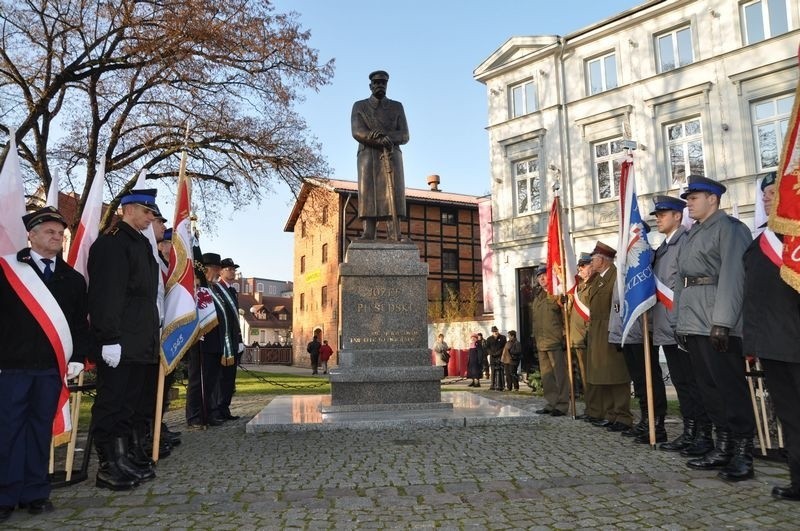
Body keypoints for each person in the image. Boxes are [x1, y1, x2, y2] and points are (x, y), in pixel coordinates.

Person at [0, 207, 88, 522]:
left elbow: (79, 324)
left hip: (51, 369)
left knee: (40, 431)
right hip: (11, 366)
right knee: (8, 432)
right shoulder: (8, 271)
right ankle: (5, 495)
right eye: (49, 231)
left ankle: (36, 493)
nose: (56, 237)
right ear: (31, 234)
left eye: (60, 233)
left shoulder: (73, 279)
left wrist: (77, 356)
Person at [673, 175, 755, 481]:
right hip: (694, 321)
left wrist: (723, 322)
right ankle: (722, 448)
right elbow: (682, 280)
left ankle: (743, 453)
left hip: (718, 323)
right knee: (708, 388)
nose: (689, 204)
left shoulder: (731, 229)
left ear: (713, 199)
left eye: (694, 198)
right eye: (688, 199)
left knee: (729, 387)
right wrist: (679, 321)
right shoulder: (692, 234)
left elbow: (734, 276)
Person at [88, 188, 161, 490]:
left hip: (139, 340)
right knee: (112, 402)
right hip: (120, 340)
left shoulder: (141, 246)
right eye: (147, 212)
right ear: (128, 209)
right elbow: (107, 294)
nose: (150, 218)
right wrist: (109, 338)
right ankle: (107, 464)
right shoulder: (112, 244)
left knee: (129, 403)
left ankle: (122, 456)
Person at [743, 209, 800, 500]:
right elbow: (752, 297)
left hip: (793, 340)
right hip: (773, 345)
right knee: (790, 418)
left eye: (773, 191)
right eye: (766, 194)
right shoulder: (759, 243)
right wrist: (751, 344)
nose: (767, 197)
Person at [649, 195, 709, 454]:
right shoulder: (662, 249)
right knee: (682, 383)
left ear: (677, 216)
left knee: (694, 383)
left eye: (663, 214)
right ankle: (689, 431)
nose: (658, 219)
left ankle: (703, 434)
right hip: (666, 325)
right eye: (657, 215)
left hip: (681, 324)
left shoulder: (685, 242)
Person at [351, 70, 410, 241]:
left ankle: (395, 233)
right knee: (368, 192)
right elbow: (357, 131)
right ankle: (368, 232)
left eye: (383, 83)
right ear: (370, 86)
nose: (379, 86)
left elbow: (404, 135)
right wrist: (376, 139)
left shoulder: (396, 106)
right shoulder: (359, 106)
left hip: (391, 153)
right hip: (368, 155)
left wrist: (386, 138)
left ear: (387, 85)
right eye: (376, 83)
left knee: (394, 191)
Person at [585, 242, 632, 431]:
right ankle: (610, 414)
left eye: (594, 259)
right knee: (603, 375)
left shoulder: (616, 277)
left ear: (603, 260)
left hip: (611, 329)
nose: (591, 262)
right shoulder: (597, 279)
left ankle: (623, 416)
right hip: (597, 332)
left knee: (617, 375)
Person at [185, 253, 227, 429]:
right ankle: (194, 415)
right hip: (201, 341)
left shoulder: (214, 289)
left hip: (215, 342)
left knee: (210, 381)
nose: (218, 272)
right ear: (206, 269)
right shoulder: (198, 287)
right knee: (197, 380)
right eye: (216, 268)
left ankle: (207, 412)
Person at [531, 265, 569, 415]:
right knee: (547, 376)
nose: (541, 278)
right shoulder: (538, 297)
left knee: (559, 374)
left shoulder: (557, 294)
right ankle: (551, 402)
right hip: (541, 342)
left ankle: (562, 404)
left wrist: (564, 336)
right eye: (539, 276)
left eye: (544, 275)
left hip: (555, 340)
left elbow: (565, 317)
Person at [215, 257, 244, 421]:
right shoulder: (216, 290)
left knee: (229, 377)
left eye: (234, 269)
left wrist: (239, 339)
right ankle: (218, 408)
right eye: (229, 269)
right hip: (222, 341)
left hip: (232, 341)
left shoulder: (232, 291)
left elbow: (234, 319)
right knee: (221, 377)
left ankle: (225, 407)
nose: (233, 271)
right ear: (221, 271)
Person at [570, 253, 593, 419]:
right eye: (579, 267)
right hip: (578, 338)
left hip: (589, 337)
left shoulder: (592, 286)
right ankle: (590, 408)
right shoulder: (578, 287)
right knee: (584, 377)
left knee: (592, 377)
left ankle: (595, 409)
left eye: (583, 266)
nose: (580, 270)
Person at [486, 326, 506, 390]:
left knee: (501, 371)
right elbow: (487, 348)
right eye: (494, 331)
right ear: (492, 332)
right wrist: (491, 353)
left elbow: (504, 347)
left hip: (500, 356)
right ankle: (492, 385)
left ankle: (501, 385)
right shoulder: (489, 339)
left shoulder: (502, 338)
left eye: (496, 331)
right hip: (492, 357)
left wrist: (499, 352)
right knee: (493, 371)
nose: (495, 332)